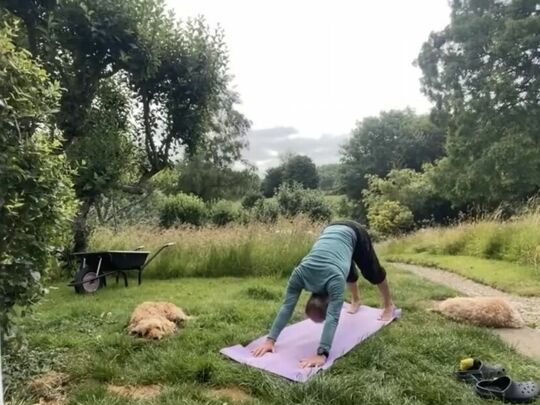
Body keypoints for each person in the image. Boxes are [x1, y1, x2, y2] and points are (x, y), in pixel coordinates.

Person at [251, 220, 395, 368]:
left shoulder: (335, 281)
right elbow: (287, 307)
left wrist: (322, 353)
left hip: (355, 232)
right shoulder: (299, 274)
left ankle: (388, 305)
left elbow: (333, 317)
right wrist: (270, 340)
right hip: (330, 229)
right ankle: (356, 300)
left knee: (373, 273)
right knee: (346, 268)